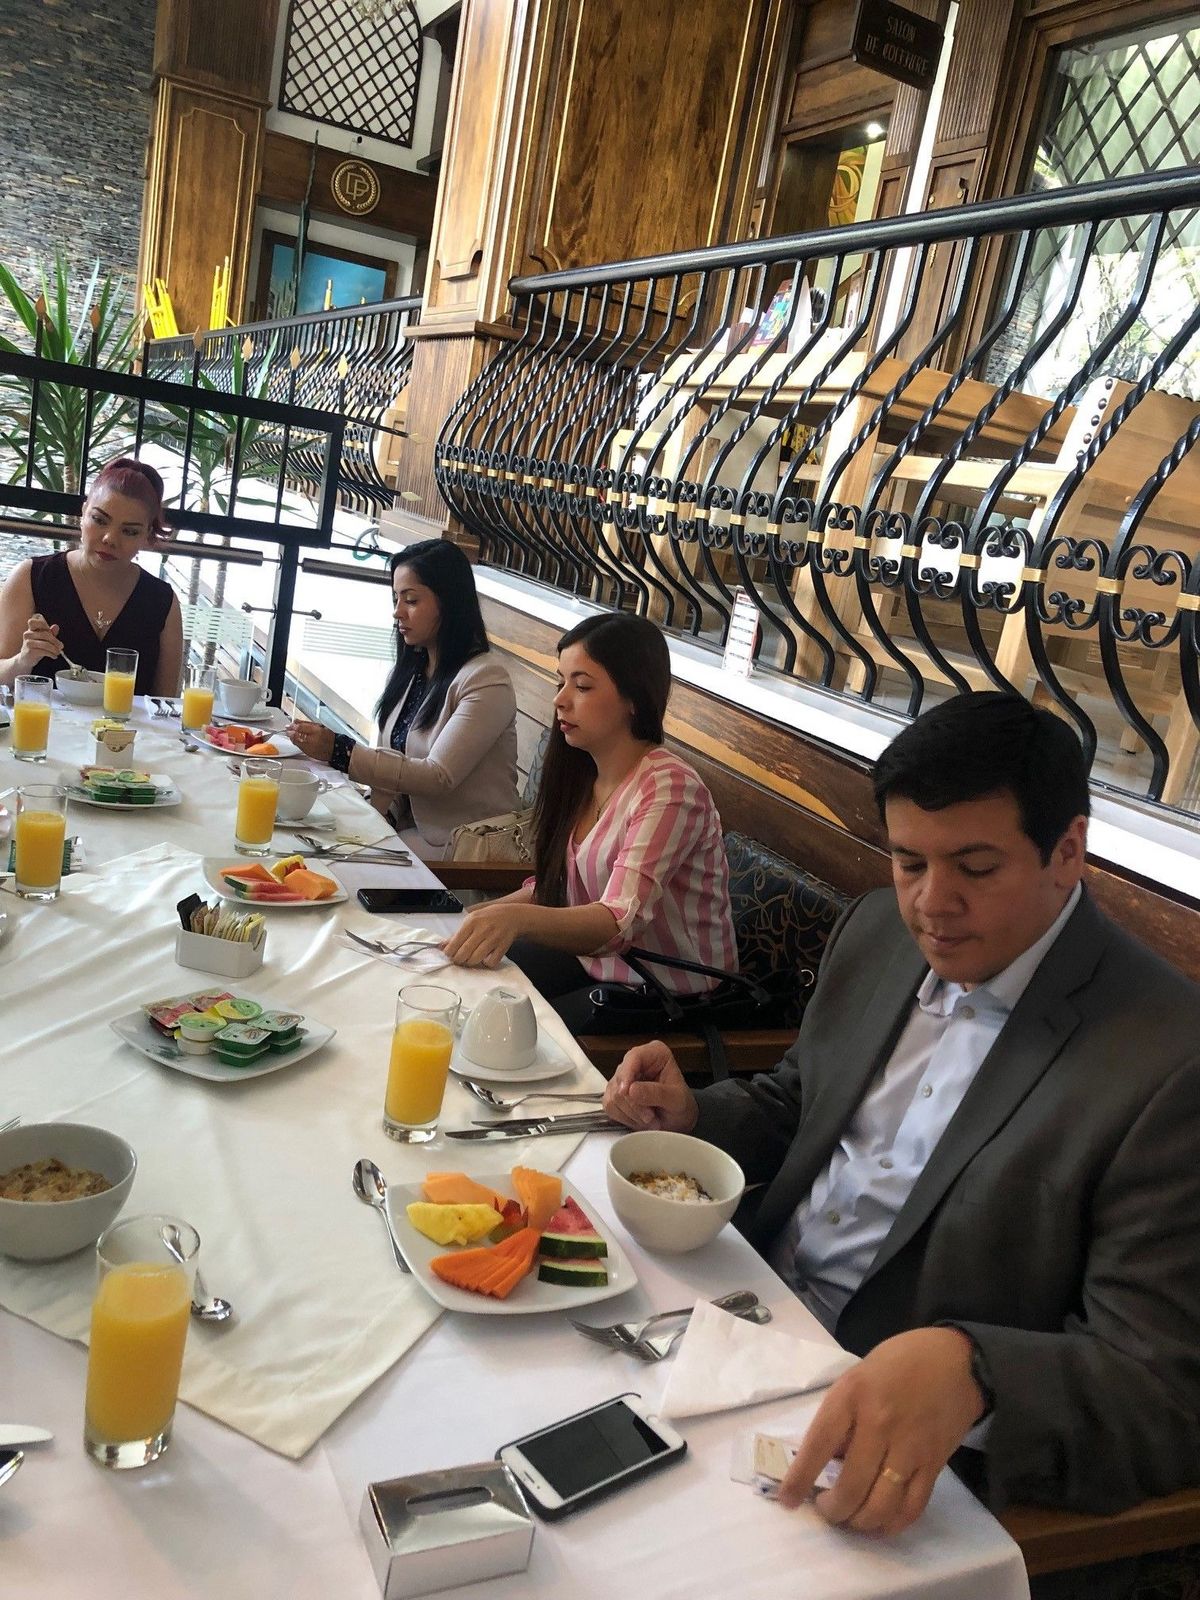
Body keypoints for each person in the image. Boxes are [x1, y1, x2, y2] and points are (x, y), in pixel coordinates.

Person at [604, 691, 1200, 1537]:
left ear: (1068, 851)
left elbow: (1160, 1392)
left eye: (975, 868)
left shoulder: (1168, 1060)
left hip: (894, 1443)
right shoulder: (879, 930)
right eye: (909, 861)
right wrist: (692, 1111)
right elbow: (799, 1102)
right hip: (735, 1319)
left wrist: (978, 1372)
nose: (931, 903)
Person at [442, 612, 738, 1035]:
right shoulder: (584, 773)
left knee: (501, 1028)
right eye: (560, 682)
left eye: (581, 686)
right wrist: (467, 917)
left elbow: (618, 922)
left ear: (634, 698)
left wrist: (513, 919)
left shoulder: (671, 788)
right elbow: (556, 887)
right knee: (460, 979)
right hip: (601, 967)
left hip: (672, 996)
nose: (561, 700)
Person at [289, 539, 518, 861]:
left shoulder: (486, 680)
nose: (397, 612)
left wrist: (340, 751)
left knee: (334, 862)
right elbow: (396, 764)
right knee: (303, 838)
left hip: (462, 846)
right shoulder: (412, 672)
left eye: (410, 600)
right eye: (396, 598)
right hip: (408, 832)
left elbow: (438, 776)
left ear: (449, 602)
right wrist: (377, 816)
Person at [0, 456, 183, 694]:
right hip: (40, 718)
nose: (110, 539)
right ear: (83, 512)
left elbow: (166, 703)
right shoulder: (32, 577)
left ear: (147, 535)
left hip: (126, 721)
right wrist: (23, 660)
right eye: (99, 520)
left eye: (129, 531)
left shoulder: (161, 601)